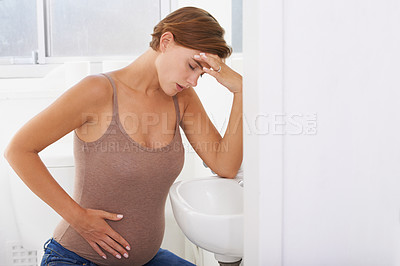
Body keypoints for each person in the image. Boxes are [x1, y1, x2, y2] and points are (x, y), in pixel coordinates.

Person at [4, 6, 242, 266]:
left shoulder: (182, 98)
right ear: (166, 41)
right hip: (77, 259)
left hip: (148, 260)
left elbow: (225, 165)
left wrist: (241, 91)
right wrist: (78, 218)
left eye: (201, 73)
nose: (194, 80)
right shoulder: (97, 91)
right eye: (192, 66)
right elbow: (18, 150)